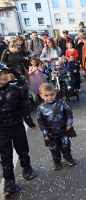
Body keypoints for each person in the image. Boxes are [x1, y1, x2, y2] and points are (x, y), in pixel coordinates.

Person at [0, 63, 37, 195]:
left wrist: (30, 122)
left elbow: (24, 108)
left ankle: (26, 167)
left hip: (16, 126)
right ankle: (9, 180)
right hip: (1, 130)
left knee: (22, 149)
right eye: (1, 74)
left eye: (5, 73)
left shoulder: (16, 89)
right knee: (5, 156)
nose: (4, 76)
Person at [37, 83, 76, 170]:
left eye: (52, 94)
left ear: (55, 93)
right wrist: (44, 132)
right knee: (54, 148)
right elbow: (41, 121)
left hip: (63, 130)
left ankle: (68, 157)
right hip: (51, 133)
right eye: (46, 95)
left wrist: (69, 122)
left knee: (66, 145)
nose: (49, 97)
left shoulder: (62, 103)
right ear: (41, 96)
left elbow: (69, 113)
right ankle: (56, 161)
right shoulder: (41, 108)